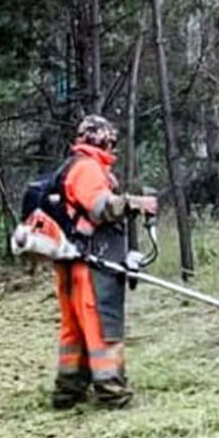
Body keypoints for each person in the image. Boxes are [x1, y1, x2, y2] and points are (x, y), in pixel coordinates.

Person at [52, 115, 157, 409]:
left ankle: (68, 391)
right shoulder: (87, 168)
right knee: (102, 328)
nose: (114, 148)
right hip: (92, 265)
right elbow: (100, 208)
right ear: (103, 141)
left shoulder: (73, 166)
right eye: (111, 141)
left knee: (75, 331)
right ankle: (112, 393)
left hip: (74, 262)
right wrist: (135, 203)